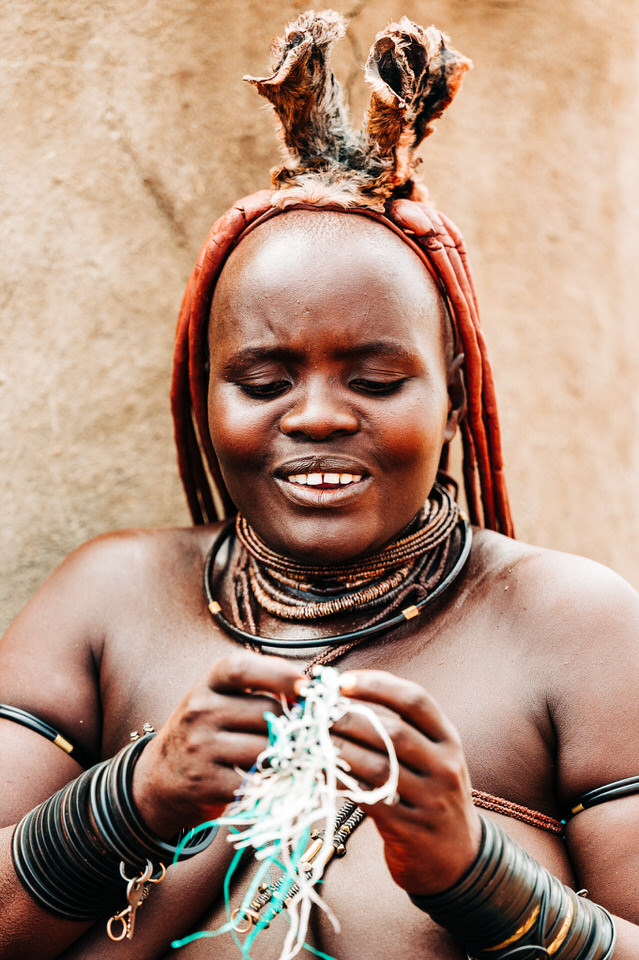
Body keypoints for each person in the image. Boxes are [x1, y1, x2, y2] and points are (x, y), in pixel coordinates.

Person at [0, 10, 638, 960]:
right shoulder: (109, 599)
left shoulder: (567, 623)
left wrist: (474, 876)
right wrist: (129, 799)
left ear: (455, 396)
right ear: (203, 395)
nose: (317, 417)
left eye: (377, 382)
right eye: (262, 383)